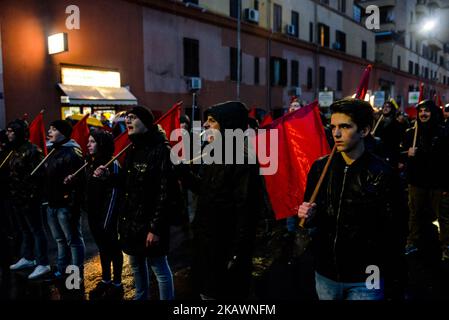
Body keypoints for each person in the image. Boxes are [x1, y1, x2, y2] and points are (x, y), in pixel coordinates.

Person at [298, 98, 406, 300]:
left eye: (345, 127)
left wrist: (389, 273)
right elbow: (313, 216)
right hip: (326, 273)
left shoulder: (383, 174)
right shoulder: (321, 168)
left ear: (364, 131)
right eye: (333, 127)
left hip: (366, 276)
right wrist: (308, 214)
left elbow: (397, 229)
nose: (336, 133)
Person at [179, 101, 264, 300]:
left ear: (228, 125)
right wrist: (184, 174)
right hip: (207, 244)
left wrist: (237, 254)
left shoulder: (244, 159)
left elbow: (247, 212)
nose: (206, 125)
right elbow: (206, 191)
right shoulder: (214, 152)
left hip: (224, 248)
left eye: (212, 121)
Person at [94, 106, 175, 300]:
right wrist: (108, 176)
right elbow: (126, 183)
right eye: (127, 118)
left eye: (133, 117)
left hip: (150, 223)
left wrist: (155, 228)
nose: (128, 121)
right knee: (136, 264)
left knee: (159, 268)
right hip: (131, 221)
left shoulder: (161, 150)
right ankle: (141, 297)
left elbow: (165, 193)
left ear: (146, 122)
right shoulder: (132, 149)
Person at [65, 130, 124, 299]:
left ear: (102, 144)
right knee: (102, 249)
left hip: (107, 216)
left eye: (92, 142)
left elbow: (114, 194)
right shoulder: (89, 162)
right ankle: (106, 280)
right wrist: (73, 179)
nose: (88, 145)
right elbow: (87, 185)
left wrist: (107, 221)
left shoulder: (111, 164)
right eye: (88, 141)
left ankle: (117, 283)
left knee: (113, 248)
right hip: (93, 213)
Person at [402, 100, 449, 259]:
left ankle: (446, 246)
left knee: (443, 215)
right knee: (414, 213)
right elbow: (400, 156)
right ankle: (412, 242)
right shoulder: (411, 133)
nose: (423, 113)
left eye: (426, 111)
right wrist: (407, 154)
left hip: (438, 182)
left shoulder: (444, 133)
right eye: (420, 110)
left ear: (433, 113)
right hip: (417, 181)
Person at [6, 119, 50, 280]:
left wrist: (31, 196)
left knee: (37, 230)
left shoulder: (33, 151)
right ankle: (28, 257)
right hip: (17, 198)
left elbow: (39, 177)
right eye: (8, 130)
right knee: (25, 230)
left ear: (18, 133)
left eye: (11, 131)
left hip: (30, 200)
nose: (8, 133)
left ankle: (43, 262)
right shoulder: (15, 150)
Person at [43, 120, 85, 287]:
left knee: (73, 240)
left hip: (66, 206)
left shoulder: (73, 153)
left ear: (64, 133)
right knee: (60, 240)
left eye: (54, 129)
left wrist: (73, 205)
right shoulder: (53, 150)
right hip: (52, 203)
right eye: (50, 128)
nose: (49, 131)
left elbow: (80, 182)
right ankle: (62, 270)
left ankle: (75, 276)